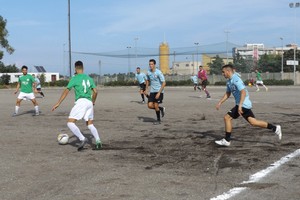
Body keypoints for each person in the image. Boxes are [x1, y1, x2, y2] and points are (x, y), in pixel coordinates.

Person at [215, 64, 282, 146]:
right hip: (242, 104)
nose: (222, 74)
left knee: (227, 117)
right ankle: (275, 128)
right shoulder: (229, 81)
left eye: (223, 72)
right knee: (253, 122)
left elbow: (243, 92)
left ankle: (227, 140)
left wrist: (240, 105)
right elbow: (228, 93)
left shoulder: (236, 79)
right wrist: (220, 102)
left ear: (228, 71)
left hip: (243, 104)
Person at [52, 61, 102, 151]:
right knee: (90, 124)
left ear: (75, 68)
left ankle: (82, 139)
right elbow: (96, 91)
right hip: (89, 102)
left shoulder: (75, 78)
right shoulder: (89, 78)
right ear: (83, 68)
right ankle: (98, 141)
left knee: (70, 122)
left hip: (81, 102)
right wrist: (93, 102)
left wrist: (58, 103)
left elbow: (66, 91)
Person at [145, 59, 166, 125]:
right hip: (152, 91)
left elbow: (164, 83)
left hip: (159, 91)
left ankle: (158, 120)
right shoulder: (148, 72)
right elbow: (148, 80)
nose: (150, 65)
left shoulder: (158, 72)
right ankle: (161, 109)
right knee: (150, 105)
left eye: (151, 64)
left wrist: (159, 92)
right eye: (149, 64)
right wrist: (146, 89)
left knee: (156, 105)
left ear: (154, 65)